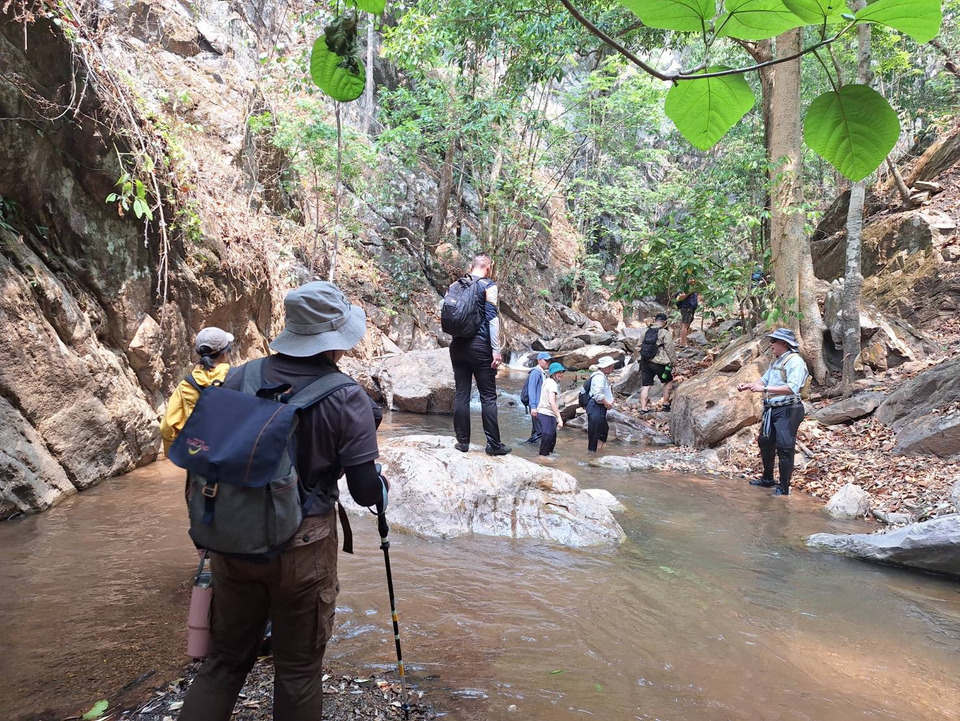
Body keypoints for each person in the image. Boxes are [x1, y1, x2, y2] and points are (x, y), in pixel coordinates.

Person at [178, 281, 386, 721]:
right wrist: (379, 482)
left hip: (233, 538)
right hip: (303, 549)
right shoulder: (347, 397)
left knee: (224, 662)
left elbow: (209, 457)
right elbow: (366, 492)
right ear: (335, 341)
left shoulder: (239, 377)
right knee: (298, 670)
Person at [449, 253, 511, 456]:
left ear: (471, 266)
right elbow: (492, 319)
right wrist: (496, 350)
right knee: (488, 396)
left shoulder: (455, 286)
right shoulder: (488, 286)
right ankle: (493, 445)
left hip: (457, 345)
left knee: (461, 393)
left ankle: (462, 442)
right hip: (480, 347)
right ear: (488, 268)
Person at [737, 328, 809, 497]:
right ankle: (768, 478)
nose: (771, 345)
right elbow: (764, 380)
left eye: (774, 341)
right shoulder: (776, 362)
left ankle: (784, 487)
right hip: (772, 409)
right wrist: (749, 385)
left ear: (784, 343)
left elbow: (792, 388)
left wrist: (765, 389)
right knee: (766, 442)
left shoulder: (795, 361)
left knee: (785, 447)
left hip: (788, 409)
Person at [159, 326, 234, 455]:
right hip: (230, 451)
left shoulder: (186, 386)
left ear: (198, 353)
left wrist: (175, 454)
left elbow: (167, 427)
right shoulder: (238, 377)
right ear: (225, 353)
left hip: (200, 452)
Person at [638, 313, 677, 413]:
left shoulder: (646, 331)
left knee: (646, 386)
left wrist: (641, 358)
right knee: (668, 381)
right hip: (659, 363)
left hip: (645, 361)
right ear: (664, 322)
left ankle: (643, 408)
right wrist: (673, 362)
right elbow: (670, 348)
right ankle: (666, 404)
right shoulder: (664, 332)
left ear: (655, 320)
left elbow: (639, 346)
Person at [585, 355, 616, 452]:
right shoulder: (599, 377)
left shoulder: (601, 376)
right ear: (606, 367)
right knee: (596, 433)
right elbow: (598, 395)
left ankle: (598, 452)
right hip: (595, 406)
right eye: (612, 366)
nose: (613, 369)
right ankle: (593, 454)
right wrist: (608, 404)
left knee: (603, 430)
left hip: (597, 407)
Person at [536, 362, 565, 458]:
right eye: (558, 372)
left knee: (551, 438)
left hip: (545, 413)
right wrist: (559, 418)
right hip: (546, 413)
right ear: (553, 373)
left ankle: (545, 457)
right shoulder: (552, 384)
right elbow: (552, 402)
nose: (561, 374)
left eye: (562, 372)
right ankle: (541, 459)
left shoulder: (548, 381)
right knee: (548, 437)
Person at [523, 352, 551, 444]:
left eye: (549, 361)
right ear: (539, 361)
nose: (548, 363)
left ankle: (530, 448)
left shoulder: (542, 373)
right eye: (546, 360)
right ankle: (527, 446)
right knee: (540, 431)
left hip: (540, 406)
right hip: (537, 406)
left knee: (537, 430)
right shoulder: (535, 372)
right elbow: (532, 389)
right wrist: (533, 407)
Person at [675, 277, 699, 346]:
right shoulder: (685, 288)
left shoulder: (693, 288)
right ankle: (683, 343)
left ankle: (684, 341)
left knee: (687, 325)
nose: (693, 280)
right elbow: (680, 297)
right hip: (686, 308)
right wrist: (688, 292)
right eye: (691, 279)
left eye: (693, 279)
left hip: (691, 308)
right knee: (685, 325)